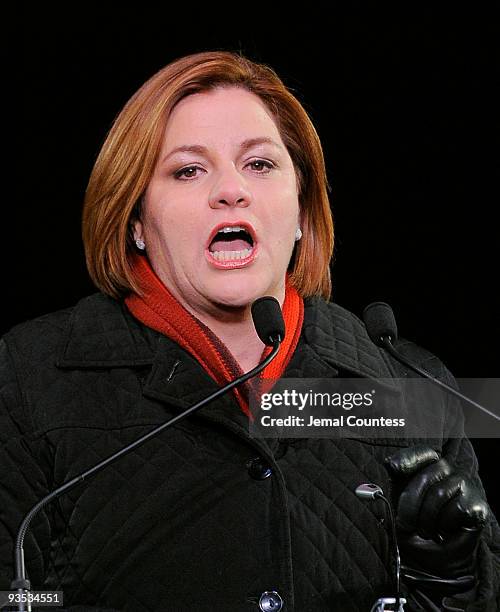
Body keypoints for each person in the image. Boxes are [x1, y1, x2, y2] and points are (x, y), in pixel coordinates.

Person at [1, 50, 499, 612]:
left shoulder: (414, 386)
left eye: (260, 165)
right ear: (135, 220)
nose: (230, 190)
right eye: (189, 170)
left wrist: (449, 591)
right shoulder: (25, 377)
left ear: (303, 212)